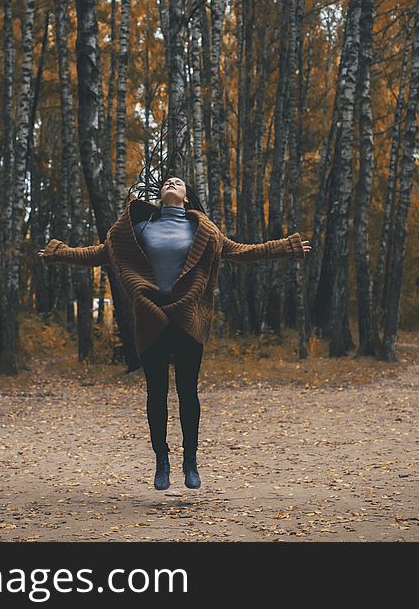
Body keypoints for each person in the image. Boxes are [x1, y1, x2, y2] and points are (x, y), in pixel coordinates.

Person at [37, 177, 311, 490]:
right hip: (151, 318)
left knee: (187, 393)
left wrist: (287, 248)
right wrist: (58, 253)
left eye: (178, 182)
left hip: (187, 318)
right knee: (155, 395)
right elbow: (99, 254)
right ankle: (161, 459)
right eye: (168, 181)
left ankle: (190, 460)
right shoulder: (138, 230)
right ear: (160, 195)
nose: (172, 182)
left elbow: (242, 251)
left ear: (186, 197)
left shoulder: (204, 231)